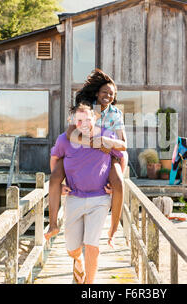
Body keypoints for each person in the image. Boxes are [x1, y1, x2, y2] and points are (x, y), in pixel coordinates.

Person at [45, 69, 128, 250]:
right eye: (104, 92)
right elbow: (71, 134)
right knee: (55, 177)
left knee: (120, 182)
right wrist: (98, 143)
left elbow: (123, 144)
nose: (107, 96)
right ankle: (52, 224)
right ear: (97, 93)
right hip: (79, 151)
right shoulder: (87, 107)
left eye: (111, 94)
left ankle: (113, 231)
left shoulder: (116, 114)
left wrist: (107, 142)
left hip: (106, 153)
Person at [48, 102, 123, 284]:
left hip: (100, 198)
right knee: (72, 248)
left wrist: (116, 182)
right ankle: (78, 260)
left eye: (87, 119)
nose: (83, 123)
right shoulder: (64, 140)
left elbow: (121, 156)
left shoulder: (105, 135)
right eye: (79, 120)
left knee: (92, 245)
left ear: (94, 119)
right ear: (73, 120)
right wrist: (61, 184)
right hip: (74, 197)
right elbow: (55, 159)